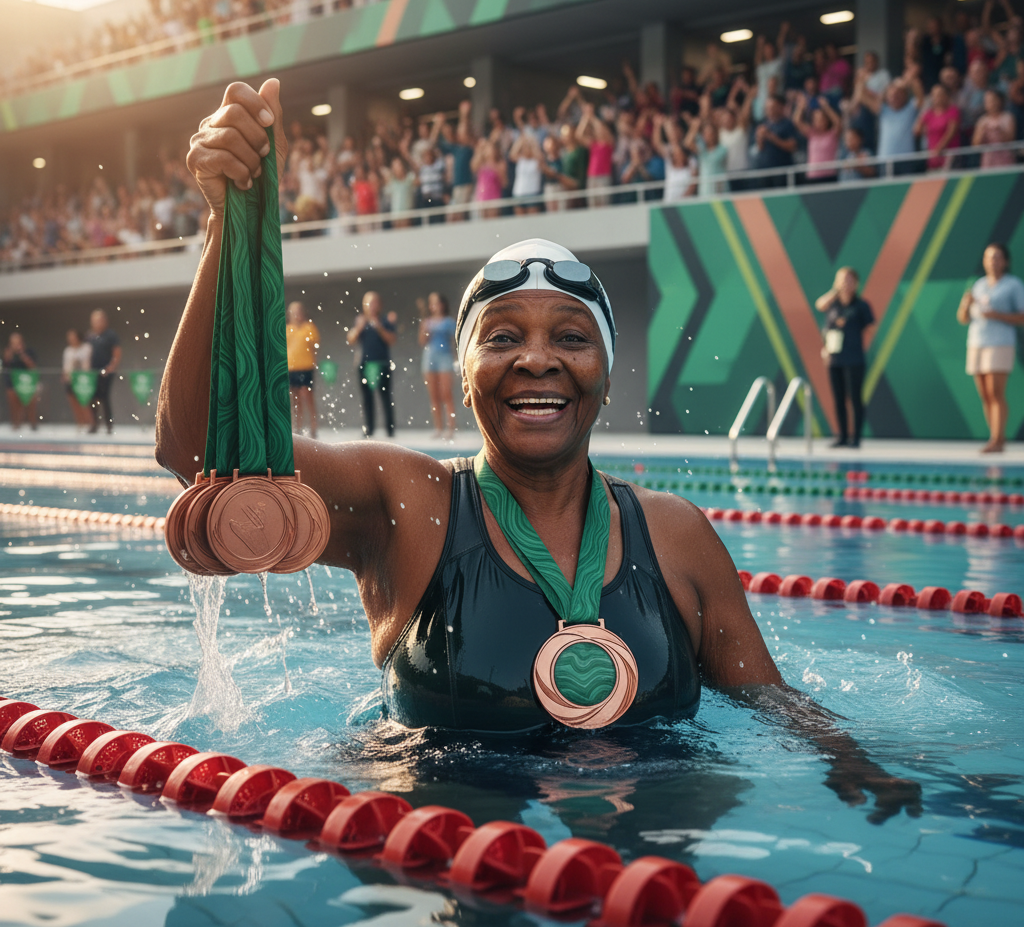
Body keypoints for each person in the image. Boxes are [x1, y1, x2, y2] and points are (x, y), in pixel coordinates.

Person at [157, 78, 922, 823]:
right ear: (462, 378)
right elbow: (197, 449)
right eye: (502, 338)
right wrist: (227, 227)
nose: (537, 360)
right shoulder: (411, 506)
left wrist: (854, 759)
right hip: (459, 852)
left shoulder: (676, 534)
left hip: (652, 864)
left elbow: (767, 699)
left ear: (605, 374)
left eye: (570, 337)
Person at [957, 243, 1024, 453]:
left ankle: (998, 438)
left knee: (996, 392)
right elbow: (963, 318)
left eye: (996, 257)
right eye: (988, 257)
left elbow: (1022, 316)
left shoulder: (1013, 285)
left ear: (1005, 261)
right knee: (985, 394)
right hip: (977, 342)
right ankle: (994, 436)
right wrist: (966, 304)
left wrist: (996, 315)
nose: (992, 261)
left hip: (1000, 343)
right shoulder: (978, 285)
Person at [815, 268, 874, 449]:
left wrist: (856, 344)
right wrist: (835, 291)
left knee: (855, 398)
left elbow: (871, 327)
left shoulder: (860, 305)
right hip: (835, 358)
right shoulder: (834, 305)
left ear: (856, 283)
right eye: (841, 280)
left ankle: (855, 437)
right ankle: (841, 436)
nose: (845, 284)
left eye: (849, 280)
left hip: (854, 358)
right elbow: (820, 304)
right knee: (838, 398)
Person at [346, 290, 397, 438]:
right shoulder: (360, 321)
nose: (371, 306)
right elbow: (350, 339)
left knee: (385, 397)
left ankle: (390, 429)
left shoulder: (385, 321)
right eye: (368, 303)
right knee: (367, 398)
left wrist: (379, 326)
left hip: (382, 364)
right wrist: (359, 327)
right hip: (365, 365)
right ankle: (369, 429)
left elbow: (392, 340)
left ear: (380, 305)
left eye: (374, 302)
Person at [418, 292, 458, 439]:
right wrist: (424, 330)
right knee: (433, 395)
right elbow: (422, 342)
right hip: (429, 358)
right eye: (431, 303)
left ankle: (451, 428)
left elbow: (456, 340)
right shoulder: (426, 322)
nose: (433, 306)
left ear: (442, 304)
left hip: (445, 358)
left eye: (436, 302)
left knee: (446, 393)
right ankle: (438, 428)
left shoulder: (449, 321)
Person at [286, 301, 319, 438]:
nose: (297, 315)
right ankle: (297, 427)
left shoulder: (309, 327)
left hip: (306, 367)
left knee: (307, 396)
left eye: (299, 312)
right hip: (291, 367)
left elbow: (315, 344)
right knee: (295, 399)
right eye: (294, 312)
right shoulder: (287, 329)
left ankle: (313, 426)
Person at [87, 309, 120, 434]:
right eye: (95, 321)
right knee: (91, 397)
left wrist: (111, 367)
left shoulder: (111, 335)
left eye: (99, 320)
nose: (97, 323)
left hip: (106, 373)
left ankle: (109, 426)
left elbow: (117, 353)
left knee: (104, 398)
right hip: (92, 374)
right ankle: (94, 424)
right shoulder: (90, 336)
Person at [914, 83, 961, 170]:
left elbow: (951, 132)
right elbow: (916, 130)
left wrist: (939, 149)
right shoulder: (929, 113)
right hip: (933, 158)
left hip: (949, 157)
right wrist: (924, 109)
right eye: (934, 95)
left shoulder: (952, 110)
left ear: (947, 96)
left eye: (940, 94)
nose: (937, 97)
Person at [972, 89, 1016, 168]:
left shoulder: (1008, 117)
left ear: (1000, 101)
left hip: (1005, 158)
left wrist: (999, 131)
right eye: (987, 101)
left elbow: (1011, 139)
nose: (991, 103)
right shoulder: (982, 121)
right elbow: (976, 145)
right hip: (988, 159)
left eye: (993, 100)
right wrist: (983, 133)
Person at [2, 332, 38, 430]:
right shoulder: (8, 352)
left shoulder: (28, 352)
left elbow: (32, 366)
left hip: (27, 382)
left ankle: (33, 423)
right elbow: (5, 364)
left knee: (30, 402)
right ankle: (16, 423)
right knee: (14, 404)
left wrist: (22, 353)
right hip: (12, 382)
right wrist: (9, 354)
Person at [62, 328, 93, 428]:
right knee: (74, 403)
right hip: (71, 379)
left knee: (85, 402)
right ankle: (80, 423)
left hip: (83, 380)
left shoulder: (86, 348)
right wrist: (65, 376)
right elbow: (66, 366)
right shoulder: (67, 350)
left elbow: (87, 363)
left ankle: (89, 423)